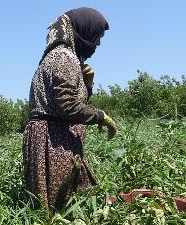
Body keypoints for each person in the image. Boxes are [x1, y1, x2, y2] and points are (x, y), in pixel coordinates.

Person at [23, 7, 116, 210]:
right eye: (96, 37)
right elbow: (69, 107)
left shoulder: (60, 56)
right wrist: (101, 116)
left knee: (76, 204)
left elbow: (71, 101)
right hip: (54, 141)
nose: (97, 44)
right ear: (83, 31)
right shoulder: (64, 57)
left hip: (55, 138)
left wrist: (87, 85)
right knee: (61, 210)